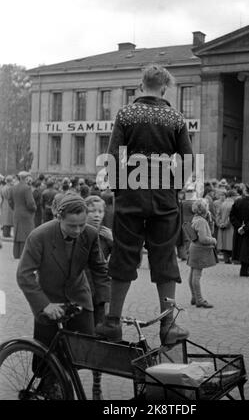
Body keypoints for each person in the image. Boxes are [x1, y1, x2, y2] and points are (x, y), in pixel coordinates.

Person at [96, 64, 193, 345]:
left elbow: (113, 155)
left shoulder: (126, 113)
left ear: (141, 85)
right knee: (165, 258)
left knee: (124, 254)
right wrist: (174, 188)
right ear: (164, 87)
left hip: (131, 195)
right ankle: (168, 325)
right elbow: (187, 160)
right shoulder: (175, 117)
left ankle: (113, 322)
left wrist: (120, 190)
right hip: (164, 195)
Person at [16, 194, 110, 396]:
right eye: (71, 226)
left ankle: (69, 383)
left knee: (84, 352)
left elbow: (100, 270)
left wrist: (106, 301)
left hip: (79, 297)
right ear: (59, 218)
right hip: (50, 299)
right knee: (47, 357)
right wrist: (44, 305)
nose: (77, 231)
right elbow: (24, 275)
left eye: (81, 225)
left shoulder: (90, 234)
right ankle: (50, 386)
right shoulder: (39, 236)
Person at [85, 195, 112, 400]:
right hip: (79, 295)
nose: (96, 215)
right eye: (92, 211)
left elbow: (127, 263)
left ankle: (96, 385)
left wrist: (114, 242)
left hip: (99, 297)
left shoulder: (105, 236)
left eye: (100, 211)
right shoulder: (77, 232)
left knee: (99, 341)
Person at [187, 199, 216, 308]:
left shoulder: (196, 218)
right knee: (196, 276)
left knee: (192, 274)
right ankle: (199, 299)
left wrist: (210, 222)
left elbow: (207, 232)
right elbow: (203, 239)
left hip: (194, 248)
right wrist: (213, 240)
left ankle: (194, 297)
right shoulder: (202, 221)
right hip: (199, 250)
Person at [230, 184, 249, 277]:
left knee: (240, 248)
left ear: (245, 192)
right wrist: (245, 228)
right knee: (247, 250)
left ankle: (244, 270)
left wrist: (239, 227)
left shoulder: (237, 202)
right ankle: (245, 270)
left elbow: (232, 216)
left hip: (238, 230)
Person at [8, 171, 36, 259]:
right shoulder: (27, 188)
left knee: (17, 233)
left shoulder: (13, 188)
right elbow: (30, 203)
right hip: (26, 214)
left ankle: (16, 253)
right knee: (26, 233)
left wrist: (15, 208)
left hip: (17, 213)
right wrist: (34, 209)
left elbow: (10, 200)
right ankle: (24, 254)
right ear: (26, 178)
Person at [216, 190, 236, 264]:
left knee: (224, 244)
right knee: (230, 244)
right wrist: (226, 224)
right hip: (230, 227)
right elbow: (231, 216)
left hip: (222, 227)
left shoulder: (222, 204)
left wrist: (220, 223)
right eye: (235, 196)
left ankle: (226, 259)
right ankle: (232, 258)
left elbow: (217, 215)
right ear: (232, 196)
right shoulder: (233, 204)